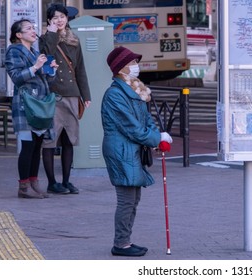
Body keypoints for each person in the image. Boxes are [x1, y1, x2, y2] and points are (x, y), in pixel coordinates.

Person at [102, 46, 173, 257]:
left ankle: (125, 240)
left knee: (133, 199)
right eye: (132, 63)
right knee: (126, 200)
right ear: (121, 69)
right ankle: (121, 244)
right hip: (121, 150)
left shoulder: (134, 89)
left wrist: (157, 134)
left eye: (135, 63)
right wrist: (155, 138)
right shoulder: (114, 95)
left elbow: (145, 119)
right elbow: (131, 127)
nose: (136, 67)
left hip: (131, 150)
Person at [39, 4, 91, 195]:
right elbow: (46, 53)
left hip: (71, 93)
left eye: (62, 17)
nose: (60, 20)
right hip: (53, 95)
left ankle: (67, 181)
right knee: (50, 141)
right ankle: (52, 182)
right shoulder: (45, 39)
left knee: (70, 139)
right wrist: (52, 32)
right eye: (55, 18)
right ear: (49, 21)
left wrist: (86, 95)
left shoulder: (74, 40)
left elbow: (80, 70)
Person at [5, 19, 58, 199]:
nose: (33, 31)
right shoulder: (14, 50)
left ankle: (34, 181)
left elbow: (44, 80)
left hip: (40, 104)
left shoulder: (35, 51)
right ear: (19, 35)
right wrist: (35, 66)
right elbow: (16, 77)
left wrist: (50, 70)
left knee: (37, 145)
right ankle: (24, 186)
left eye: (33, 28)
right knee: (28, 146)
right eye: (28, 29)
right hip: (26, 104)